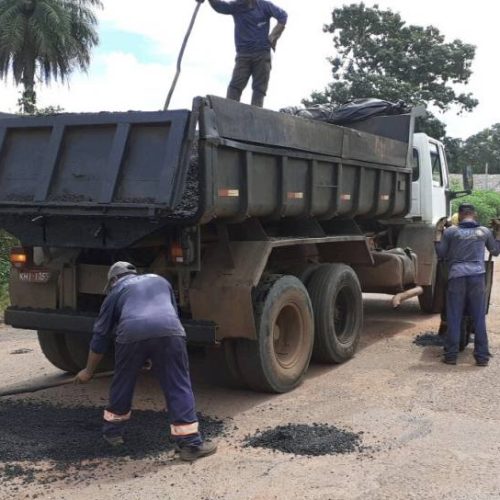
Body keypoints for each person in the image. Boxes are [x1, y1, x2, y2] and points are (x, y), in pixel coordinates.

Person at [75, 261, 217, 462]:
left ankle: (113, 433)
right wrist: (150, 354)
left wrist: (88, 371)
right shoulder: (160, 281)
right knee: (178, 384)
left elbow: (100, 336)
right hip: (170, 331)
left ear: (114, 280)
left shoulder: (115, 292)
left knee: (123, 382)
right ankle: (191, 445)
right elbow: (166, 316)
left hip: (132, 334)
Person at [435, 204, 500, 366]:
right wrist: (498, 233)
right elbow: (496, 251)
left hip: (457, 277)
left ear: (460, 215)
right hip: (477, 278)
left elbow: (441, 254)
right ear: (474, 214)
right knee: (478, 318)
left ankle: (451, 356)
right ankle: (482, 358)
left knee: (454, 317)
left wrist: (437, 233)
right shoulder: (484, 231)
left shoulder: (451, 232)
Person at [206, 0, 288, 107]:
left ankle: (256, 116)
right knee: (235, 86)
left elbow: (283, 17)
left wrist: (273, 36)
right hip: (243, 55)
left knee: (259, 89)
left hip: (262, 53)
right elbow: (219, 6)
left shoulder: (264, 5)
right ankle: (229, 114)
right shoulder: (236, 6)